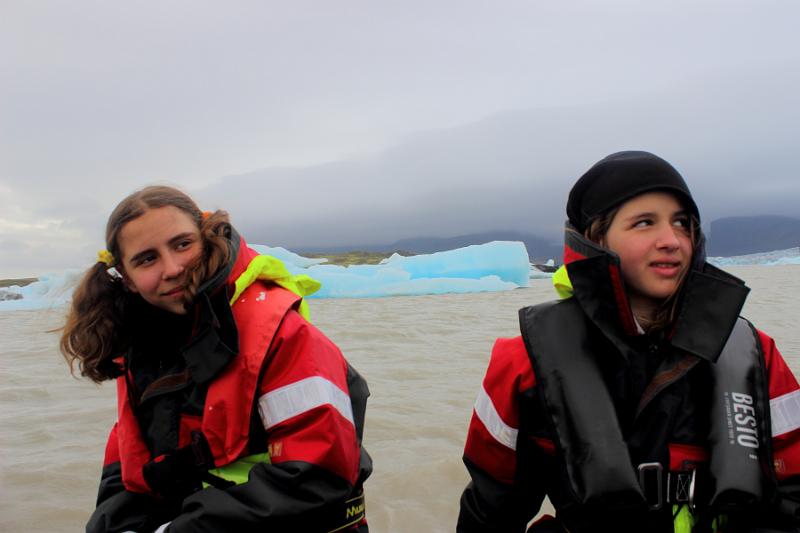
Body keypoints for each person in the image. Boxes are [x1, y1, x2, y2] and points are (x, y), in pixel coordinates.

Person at [457, 151, 800, 532]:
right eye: (644, 223)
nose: (671, 240)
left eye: (682, 223)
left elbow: (795, 493)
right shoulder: (524, 362)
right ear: (596, 239)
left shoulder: (755, 352)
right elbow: (491, 511)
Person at [61, 186, 371, 533]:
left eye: (182, 244)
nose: (173, 268)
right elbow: (128, 464)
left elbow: (319, 472)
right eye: (147, 259)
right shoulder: (140, 346)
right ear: (127, 279)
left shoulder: (283, 334)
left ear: (206, 238)